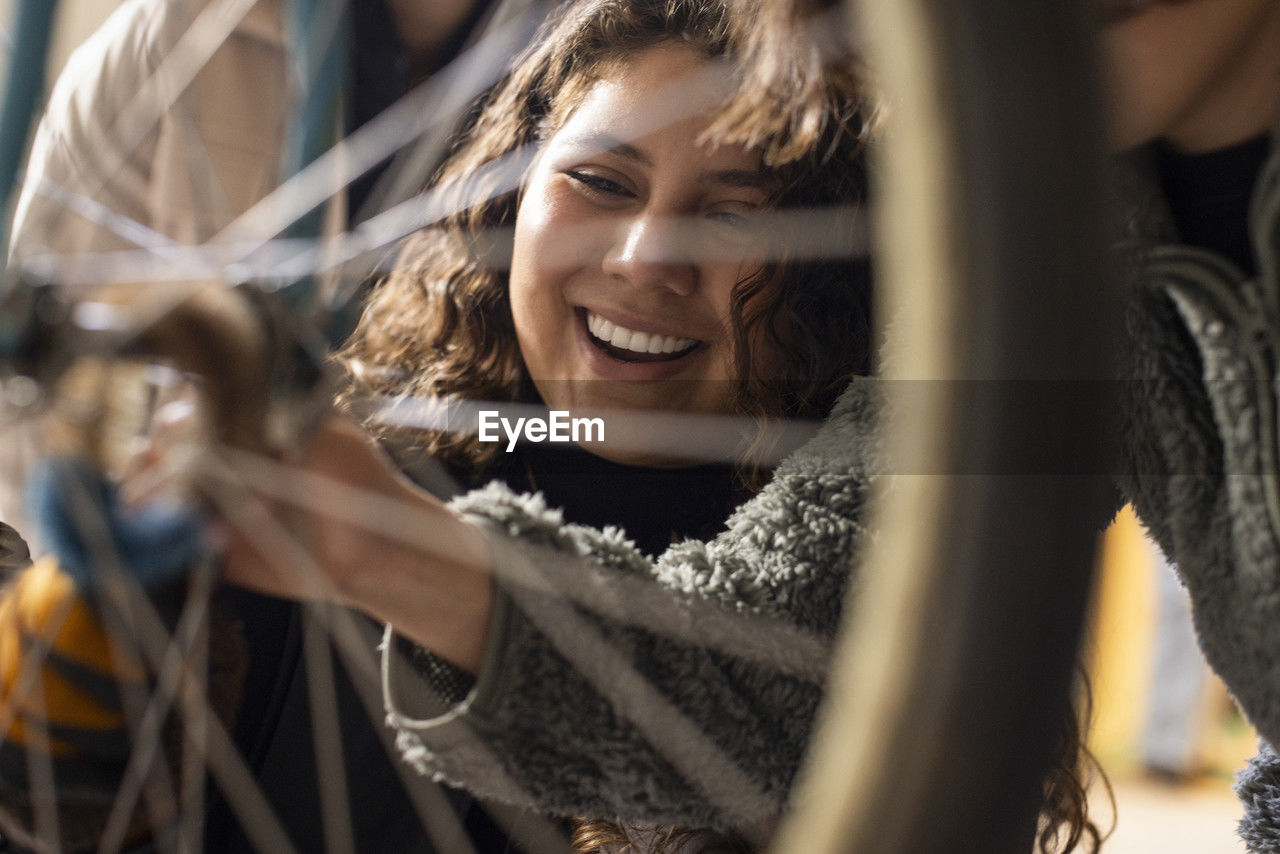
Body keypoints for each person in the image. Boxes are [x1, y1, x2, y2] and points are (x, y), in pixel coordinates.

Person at [0, 0, 1109, 852]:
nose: (643, 259)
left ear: (847, 264)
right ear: (504, 198)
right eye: (597, 180)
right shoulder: (324, 477)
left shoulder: (866, 562)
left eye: (735, 213)